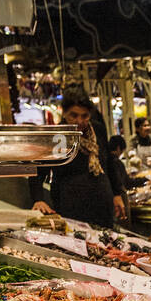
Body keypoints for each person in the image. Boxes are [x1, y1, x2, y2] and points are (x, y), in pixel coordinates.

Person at [30, 89, 126, 226]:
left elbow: (109, 163)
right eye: (73, 116)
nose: (79, 121)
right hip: (71, 209)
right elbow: (38, 172)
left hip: (102, 207)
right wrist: (38, 199)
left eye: (84, 116)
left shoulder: (97, 130)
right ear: (64, 113)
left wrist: (117, 194)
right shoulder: (57, 136)